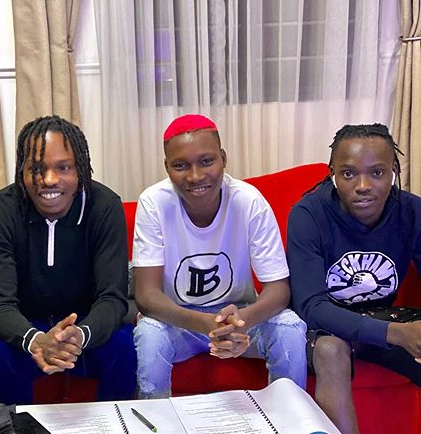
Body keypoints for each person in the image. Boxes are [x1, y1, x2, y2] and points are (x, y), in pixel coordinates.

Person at [132, 114, 307, 399]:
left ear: (223, 158)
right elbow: (147, 296)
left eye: (206, 161)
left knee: (290, 327)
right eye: (180, 165)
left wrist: (239, 323)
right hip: (180, 320)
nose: (195, 176)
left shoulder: (248, 200)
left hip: (239, 316)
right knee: (150, 334)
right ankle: (155, 423)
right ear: (166, 167)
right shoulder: (154, 202)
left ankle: (290, 418)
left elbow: (278, 290)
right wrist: (208, 325)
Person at [287, 123, 421, 434]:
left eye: (377, 173)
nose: (363, 185)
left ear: (394, 171)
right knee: (331, 352)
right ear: (332, 172)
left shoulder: (412, 212)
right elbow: (311, 306)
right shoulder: (308, 214)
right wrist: (396, 334)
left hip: (381, 317)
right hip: (323, 327)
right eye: (348, 174)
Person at [0, 115, 136, 404]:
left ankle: (116, 429)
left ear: (80, 170)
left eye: (63, 168)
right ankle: (12, 429)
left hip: (86, 326)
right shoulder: (1, 210)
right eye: (37, 169)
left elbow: (113, 298)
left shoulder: (104, 206)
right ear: (22, 170)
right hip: (26, 327)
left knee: (122, 348)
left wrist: (79, 336)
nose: (49, 180)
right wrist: (37, 340)